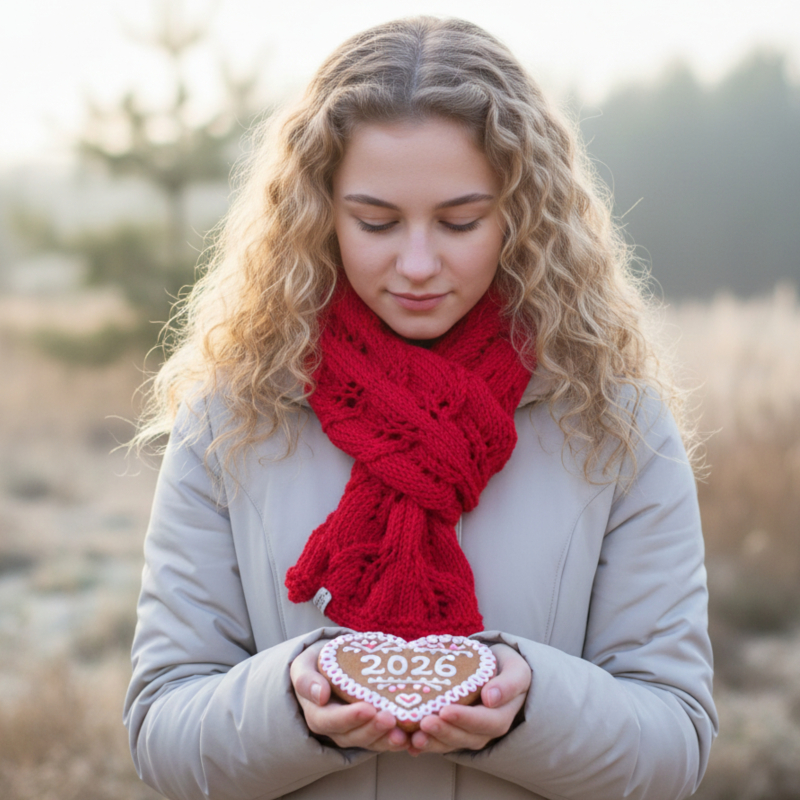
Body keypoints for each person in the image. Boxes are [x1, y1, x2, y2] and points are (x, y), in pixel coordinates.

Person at [124, 16, 717, 800]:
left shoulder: (615, 424)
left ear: (522, 213)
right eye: (375, 222)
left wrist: (528, 705)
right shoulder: (234, 417)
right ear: (319, 214)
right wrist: (292, 704)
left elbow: (675, 742)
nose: (415, 264)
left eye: (460, 221)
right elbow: (161, 730)